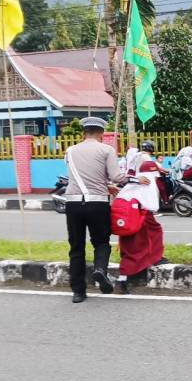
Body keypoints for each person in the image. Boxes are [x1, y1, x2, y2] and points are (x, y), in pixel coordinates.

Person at [64, 117, 141, 304]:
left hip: (73, 203)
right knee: (101, 242)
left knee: (76, 247)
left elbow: (81, 176)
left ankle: (78, 292)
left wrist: (106, 185)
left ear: (83, 132)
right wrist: (136, 179)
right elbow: (117, 176)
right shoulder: (106, 150)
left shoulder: (70, 150)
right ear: (100, 133)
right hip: (97, 203)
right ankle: (99, 270)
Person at [115, 142, 165, 294]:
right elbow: (150, 200)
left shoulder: (133, 163)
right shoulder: (146, 179)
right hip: (139, 212)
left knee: (134, 242)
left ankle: (154, 257)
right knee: (137, 246)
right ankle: (123, 280)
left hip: (128, 209)